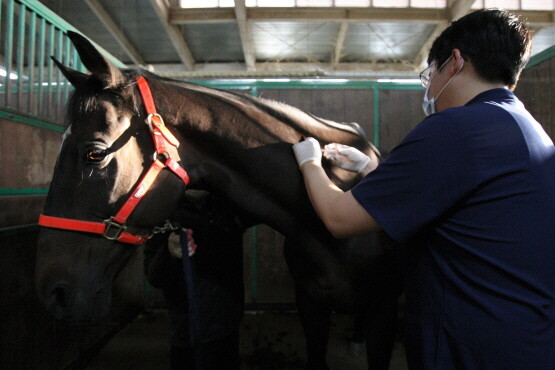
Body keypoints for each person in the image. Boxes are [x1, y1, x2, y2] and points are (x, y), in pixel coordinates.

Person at [292, 8, 555, 370]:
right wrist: (371, 167)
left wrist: (307, 161)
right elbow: (455, 197)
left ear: (455, 62)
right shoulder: (522, 125)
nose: (429, 88)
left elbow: (339, 218)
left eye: (428, 74)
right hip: (523, 335)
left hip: (469, 346)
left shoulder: (456, 128)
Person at [144, 192, 246, 370]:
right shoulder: (164, 211)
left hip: (228, 326)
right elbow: (154, 276)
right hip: (188, 331)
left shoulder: (227, 207)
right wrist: (169, 253)